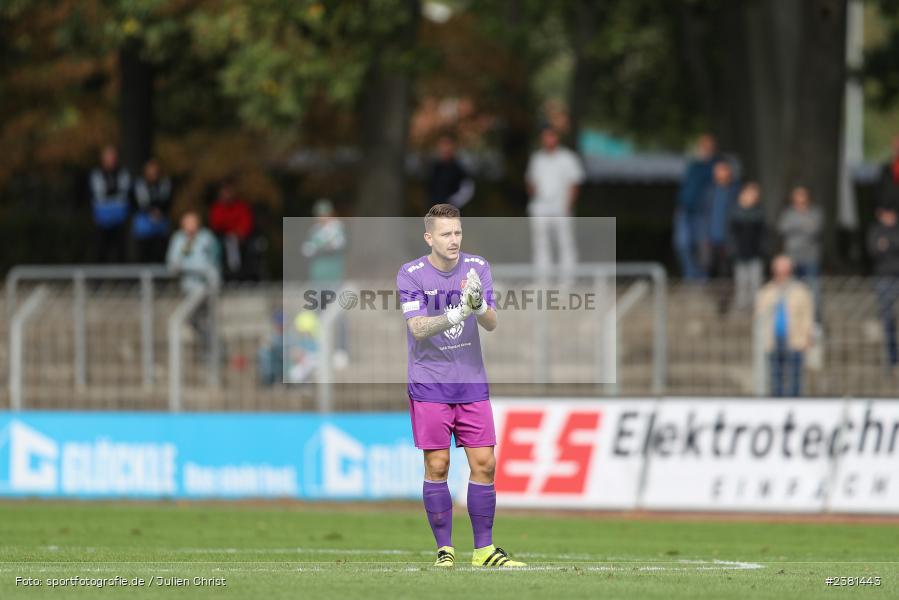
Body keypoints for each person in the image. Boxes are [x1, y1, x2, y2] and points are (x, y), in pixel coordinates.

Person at [396, 203, 525, 568]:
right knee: (437, 465)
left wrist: (479, 304)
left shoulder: (478, 267)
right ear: (429, 237)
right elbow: (418, 328)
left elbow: (491, 323)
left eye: (458, 233)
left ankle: (484, 550)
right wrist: (456, 313)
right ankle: (445, 551)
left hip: (470, 382)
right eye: (446, 234)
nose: (454, 240)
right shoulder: (411, 274)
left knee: (485, 463)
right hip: (430, 384)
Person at [525, 125, 585, 287]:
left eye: (551, 136)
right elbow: (530, 181)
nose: (549, 140)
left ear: (556, 138)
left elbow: (575, 183)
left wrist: (568, 205)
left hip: (561, 206)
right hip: (540, 206)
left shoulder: (567, 158)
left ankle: (567, 280)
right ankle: (542, 280)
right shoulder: (537, 158)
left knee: (565, 242)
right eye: (546, 137)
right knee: (540, 243)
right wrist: (534, 193)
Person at [755, 255, 814, 397]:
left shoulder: (801, 292)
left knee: (795, 378)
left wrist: (807, 337)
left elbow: (807, 317)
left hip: (795, 340)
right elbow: (759, 316)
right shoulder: (766, 292)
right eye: (778, 271)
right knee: (775, 378)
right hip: (773, 340)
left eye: (784, 271)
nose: (781, 274)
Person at [302, 199, 349, 368]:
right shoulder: (314, 231)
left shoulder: (338, 228)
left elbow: (334, 246)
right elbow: (307, 250)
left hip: (335, 279)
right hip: (317, 279)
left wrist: (319, 247)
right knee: (318, 316)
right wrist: (322, 246)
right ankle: (319, 350)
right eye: (319, 215)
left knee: (339, 315)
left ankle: (341, 351)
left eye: (325, 214)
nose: (322, 218)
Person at [166, 211, 221, 345]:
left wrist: (214, 283)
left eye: (193, 222)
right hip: (187, 286)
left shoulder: (207, 238)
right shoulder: (178, 239)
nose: (190, 226)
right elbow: (172, 263)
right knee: (194, 320)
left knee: (201, 319)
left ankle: (211, 350)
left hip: (204, 287)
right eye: (187, 222)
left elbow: (215, 260)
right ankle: (208, 346)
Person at [674, 134, 719, 281]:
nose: (703, 150)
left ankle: (702, 280)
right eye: (701, 146)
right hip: (685, 211)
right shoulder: (693, 165)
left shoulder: (714, 166)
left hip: (702, 213)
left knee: (702, 248)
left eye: (706, 147)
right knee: (682, 244)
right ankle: (690, 277)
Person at [778, 186, 823, 319]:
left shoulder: (816, 212)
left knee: (814, 291)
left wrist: (796, 227)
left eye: (802, 195)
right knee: (791, 290)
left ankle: (816, 321)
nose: (800, 198)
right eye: (797, 195)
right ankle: (794, 318)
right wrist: (804, 226)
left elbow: (815, 229)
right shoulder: (787, 213)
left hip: (810, 257)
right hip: (793, 257)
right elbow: (783, 228)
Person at [702, 160, 739, 312]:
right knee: (712, 269)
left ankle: (725, 302)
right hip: (711, 238)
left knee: (726, 271)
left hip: (727, 239)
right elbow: (705, 215)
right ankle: (715, 299)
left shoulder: (735, 191)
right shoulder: (710, 191)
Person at [867, 203, 899, 370]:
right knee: (887, 320)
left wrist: (887, 244)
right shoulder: (875, 230)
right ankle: (892, 358)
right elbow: (873, 249)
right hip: (883, 278)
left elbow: (887, 246)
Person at [89, 145, 131, 262]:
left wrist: (109, 197)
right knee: (100, 250)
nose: (111, 160)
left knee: (120, 251)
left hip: (119, 219)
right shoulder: (96, 174)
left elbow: (124, 194)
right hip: (102, 219)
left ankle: (122, 279)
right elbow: (98, 195)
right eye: (108, 157)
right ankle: (98, 279)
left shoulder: (122, 173)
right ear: (103, 159)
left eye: (113, 157)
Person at [730, 182, 767, 310]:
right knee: (742, 287)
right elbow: (731, 233)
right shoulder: (735, 211)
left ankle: (756, 313)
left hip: (755, 254)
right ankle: (741, 315)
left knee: (756, 286)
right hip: (740, 255)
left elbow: (762, 233)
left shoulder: (759, 212)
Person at [208, 178, 254, 281]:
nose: (227, 195)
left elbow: (246, 223)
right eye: (224, 193)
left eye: (229, 192)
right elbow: (216, 224)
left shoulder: (241, 207)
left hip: (241, 239)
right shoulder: (217, 208)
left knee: (234, 243)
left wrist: (239, 233)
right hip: (222, 238)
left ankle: (237, 273)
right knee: (230, 242)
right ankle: (231, 272)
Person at [131, 158, 173, 263]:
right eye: (150, 171)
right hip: (144, 226)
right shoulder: (139, 185)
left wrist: (159, 211)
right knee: (144, 254)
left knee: (160, 254)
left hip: (161, 225)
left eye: (155, 172)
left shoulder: (164, 184)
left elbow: (167, 201)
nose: (153, 174)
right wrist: (150, 211)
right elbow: (137, 203)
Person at [427, 134, 475, 208]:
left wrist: (453, 202)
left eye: (447, 145)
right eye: (442, 145)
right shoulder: (435, 167)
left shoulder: (459, 169)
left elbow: (467, 188)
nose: (444, 149)